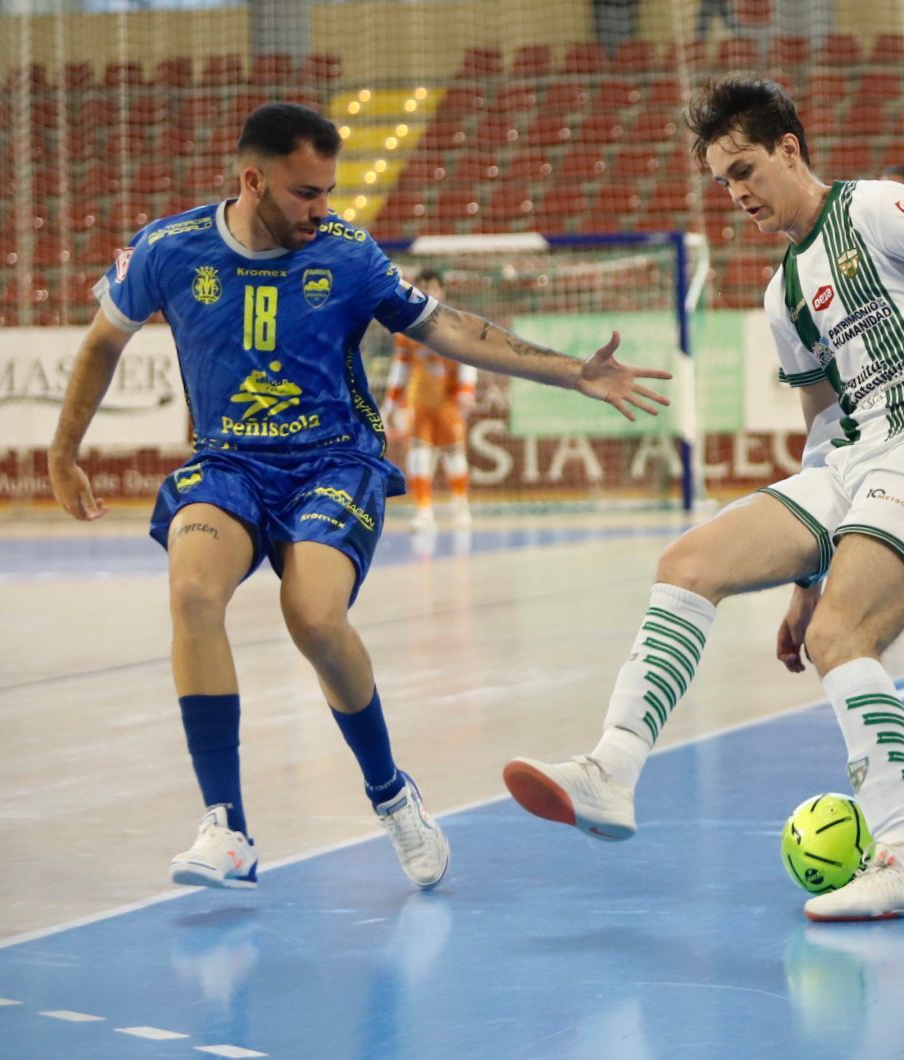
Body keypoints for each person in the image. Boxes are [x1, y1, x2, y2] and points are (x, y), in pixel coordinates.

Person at [48, 102, 669, 894]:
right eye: (307, 192)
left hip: (333, 464)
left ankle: (389, 792)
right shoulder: (170, 250)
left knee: (312, 617)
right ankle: (226, 828)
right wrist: (63, 453)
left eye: (329, 190)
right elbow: (103, 339)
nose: (324, 208)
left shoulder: (348, 255)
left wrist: (570, 371)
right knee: (193, 593)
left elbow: (449, 329)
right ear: (252, 180)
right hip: (226, 464)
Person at [502, 78, 904, 921]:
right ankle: (612, 772)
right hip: (851, 461)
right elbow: (822, 428)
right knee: (686, 562)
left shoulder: (878, 207)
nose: (736, 196)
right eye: (723, 182)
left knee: (845, 636)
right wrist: (803, 577)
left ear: (791, 149)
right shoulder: (781, 294)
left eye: (745, 170)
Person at [383, 269, 476, 531]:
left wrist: (466, 390)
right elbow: (400, 369)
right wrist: (390, 404)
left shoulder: (456, 324)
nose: (429, 291)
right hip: (419, 401)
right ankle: (423, 511)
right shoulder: (406, 328)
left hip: (448, 401)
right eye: (423, 286)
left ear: (442, 291)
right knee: (419, 455)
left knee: (454, 454)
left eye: (433, 287)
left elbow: (468, 360)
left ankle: (460, 507)